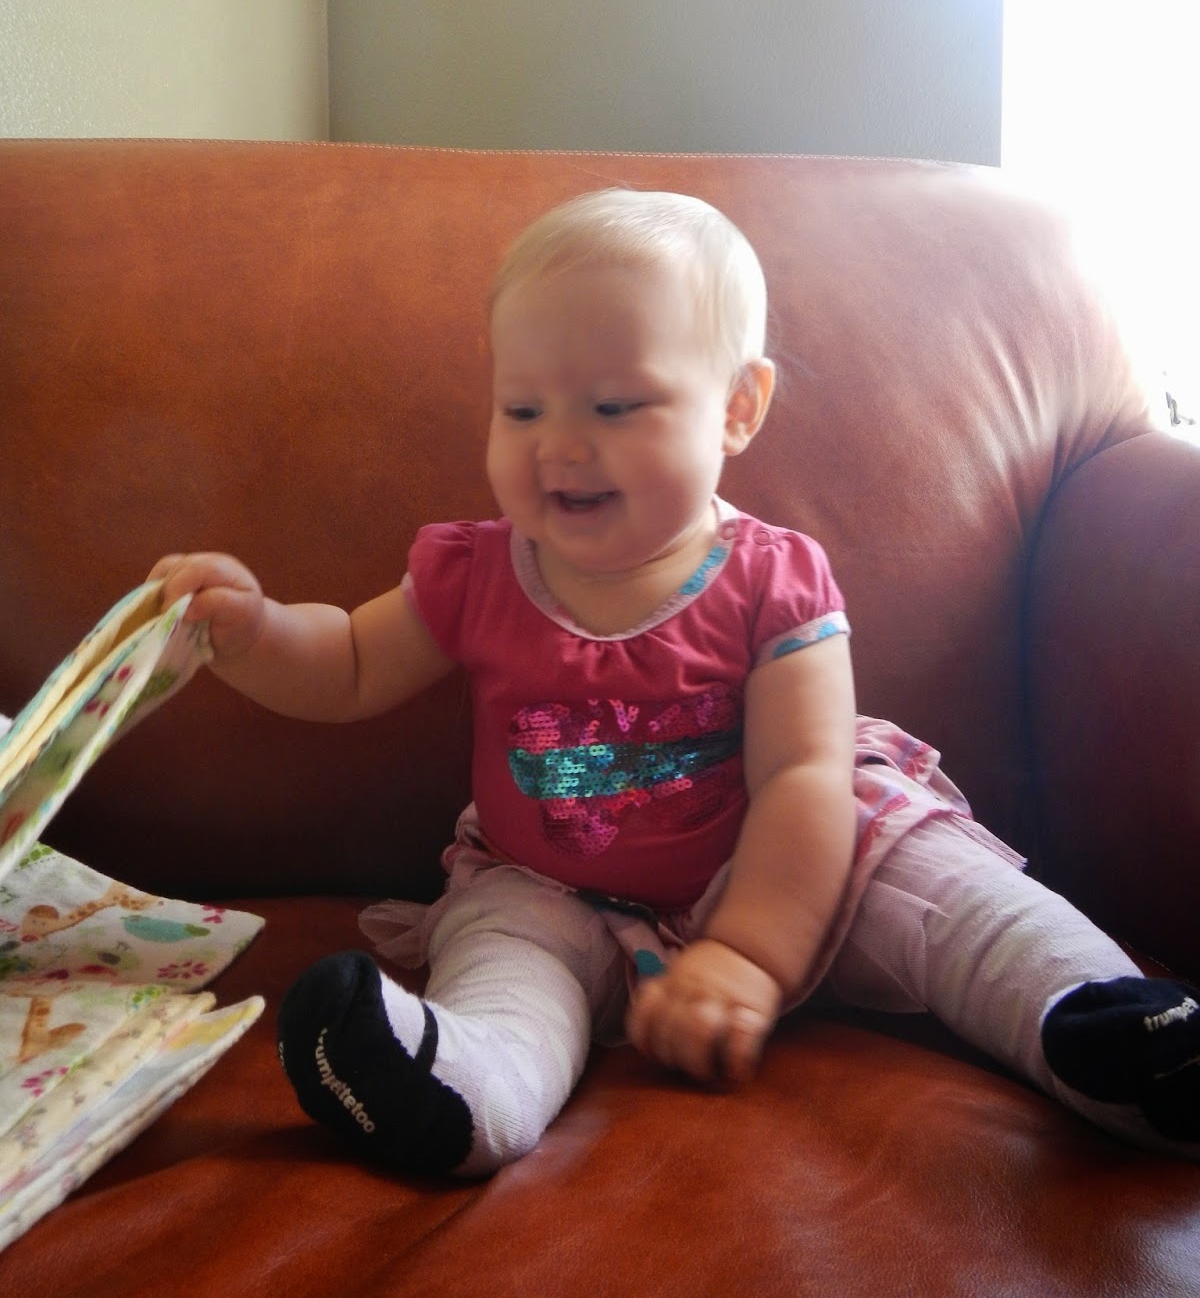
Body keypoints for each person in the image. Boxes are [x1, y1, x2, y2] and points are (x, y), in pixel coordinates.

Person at [151, 189, 1200, 1178]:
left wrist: (747, 952)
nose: (560, 444)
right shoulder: (474, 570)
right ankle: (455, 1090)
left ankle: (1112, 1025)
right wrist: (255, 633)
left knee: (946, 894)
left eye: (615, 405)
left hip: (788, 857)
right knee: (507, 956)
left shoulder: (772, 580)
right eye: (522, 408)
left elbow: (801, 779)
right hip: (552, 880)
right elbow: (348, 664)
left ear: (738, 407)